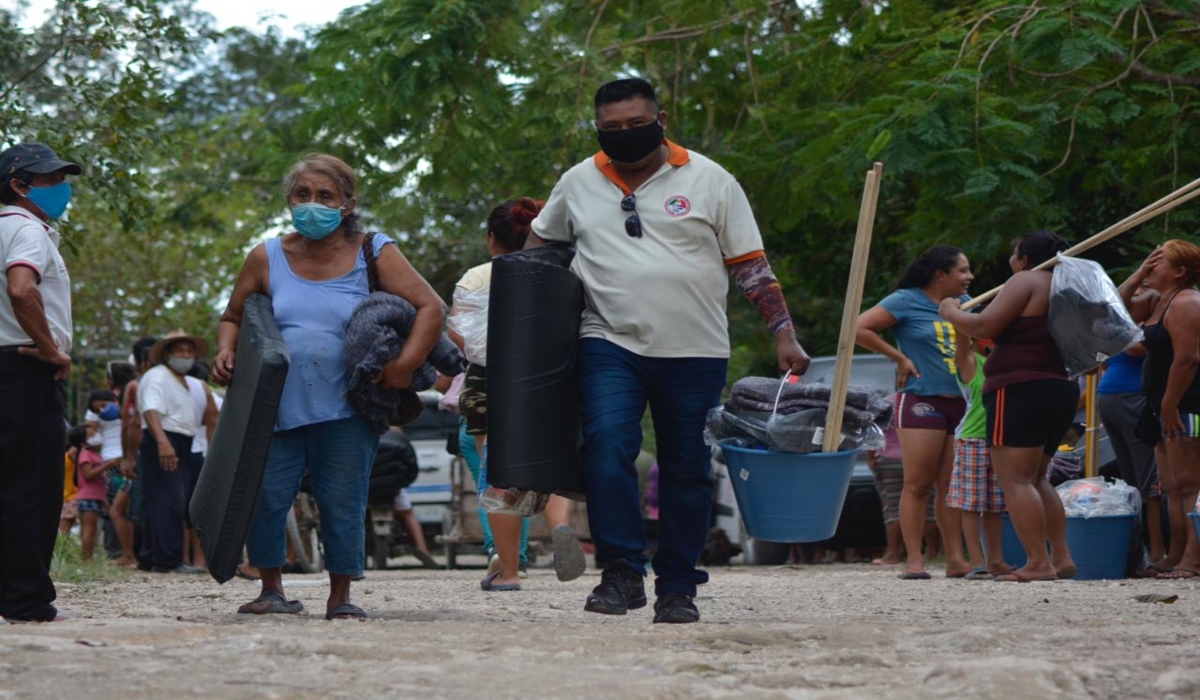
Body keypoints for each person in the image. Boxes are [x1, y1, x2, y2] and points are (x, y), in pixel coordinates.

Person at [526, 78, 810, 623]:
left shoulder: (710, 180)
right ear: (598, 130)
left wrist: (783, 331)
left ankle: (678, 585)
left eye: (636, 124)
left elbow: (750, 266)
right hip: (607, 340)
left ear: (661, 119)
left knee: (688, 468)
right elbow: (540, 248)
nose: (625, 135)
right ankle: (621, 573)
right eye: (612, 129)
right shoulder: (578, 181)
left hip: (695, 349)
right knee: (607, 445)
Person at [212, 153, 444, 621]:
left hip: (348, 406)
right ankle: (272, 589)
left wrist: (404, 367)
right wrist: (225, 350)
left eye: (324, 196)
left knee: (342, 499)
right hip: (273, 406)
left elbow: (430, 307)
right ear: (288, 201)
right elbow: (234, 316)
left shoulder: (372, 250)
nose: (311, 204)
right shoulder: (266, 255)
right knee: (266, 496)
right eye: (302, 195)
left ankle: (340, 596)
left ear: (347, 203)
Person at [450, 197, 587, 592]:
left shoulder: (477, 277)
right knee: (549, 464)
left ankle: (508, 571)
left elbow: (461, 336)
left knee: (499, 472)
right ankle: (560, 526)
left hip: (487, 384)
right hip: (550, 379)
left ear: (492, 239)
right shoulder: (563, 271)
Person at [939, 230, 1078, 582]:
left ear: (1024, 258)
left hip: (1020, 387)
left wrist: (951, 312)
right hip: (1058, 386)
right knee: (1037, 478)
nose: (1012, 257)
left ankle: (1037, 562)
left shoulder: (1026, 280)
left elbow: (985, 324)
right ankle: (1060, 556)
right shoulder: (1067, 284)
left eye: (1014, 250)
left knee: (1015, 480)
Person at [855, 246, 973, 579]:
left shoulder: (966, 303)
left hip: (959, 401)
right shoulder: (906, 300)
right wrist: (900, 358)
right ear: (941, 275)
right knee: (918, 484)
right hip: (921, 400)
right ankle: (914, 561)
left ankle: (955, 559)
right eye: (963, 271)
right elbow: (860, 328)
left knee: (949, 485)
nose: (969, 277)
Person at [0, 143, 79, 623]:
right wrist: (50, 348)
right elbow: (21, 287)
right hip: (25, 370)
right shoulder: (28, 231)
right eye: (51, 180)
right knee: (32, 486)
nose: (62, 189)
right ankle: (26, 598)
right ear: (19, 184)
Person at [1118, 240, 1200, 579]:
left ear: (1179, 272)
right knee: (1171, 486)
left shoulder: (1187, 302)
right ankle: (1175, 554)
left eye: (1158, 262)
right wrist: (1139, 274)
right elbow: (1117, 310)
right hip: (1160, 407)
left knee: (1190, 487)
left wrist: (1169, 405)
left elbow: (1188, 358)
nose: (1151, 267)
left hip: (1184, 405)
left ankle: (1192, 560)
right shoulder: (1157, 301)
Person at [137, 329, 209, 575]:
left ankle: (151, 556)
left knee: (165, 500)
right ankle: (167, 560)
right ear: (167, 354)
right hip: (166, 438)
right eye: (181, 351)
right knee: (169, 501)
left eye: (189, 351)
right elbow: (150, 410)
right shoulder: (157, 376)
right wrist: (162, 442)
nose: (186, 356)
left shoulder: (183, 381)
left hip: (183, 441)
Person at [945, 335, 1011, 580]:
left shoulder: (998, 362)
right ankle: (976, 560)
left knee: (995, 505)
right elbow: (962, 340)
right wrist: (961, 316)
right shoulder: (971, 362)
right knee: (971, 504)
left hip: (998, 438)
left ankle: (996, 559)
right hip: (972, 439)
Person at [1097, 346, 1166, 576]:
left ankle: (1148, 554)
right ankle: (1150, 554)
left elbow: (1110, 360)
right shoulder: (1129, 323)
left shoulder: (1116, 322)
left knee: (1141, 481)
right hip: (1125, 397)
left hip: (1118, 396)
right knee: (1142, 481)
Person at [85, 388, 134, 564]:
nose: (102, 411)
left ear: (115, 399)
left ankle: (129, 552)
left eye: (104, 406)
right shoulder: (96, 418)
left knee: (124, 509)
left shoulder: (131, 408)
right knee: (113, 509)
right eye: (98, 410)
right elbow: (90, 434)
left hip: (128, 461)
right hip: (109, 463)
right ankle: (117, 550)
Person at [75, 423, 110, 562]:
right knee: (89, 528)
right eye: (92, 435)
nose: (97, 435)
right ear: (83, 442)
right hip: (88, 497)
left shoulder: (94, 455)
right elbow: (88, 475)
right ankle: (86, 559)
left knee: (91, 528)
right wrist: (107, 465)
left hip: (95, 497)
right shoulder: (86, 454)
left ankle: (88, 557)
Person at [61, 425, 87, 537]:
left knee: (63, 532)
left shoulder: (65, 456)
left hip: (68, 497)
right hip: (74, 496)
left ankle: (60, 552)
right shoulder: (73, 455)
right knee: (86, 530)